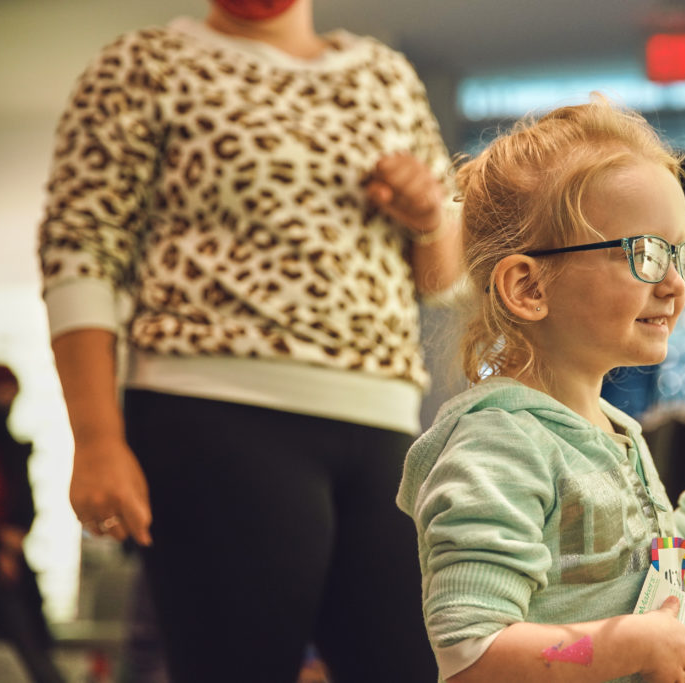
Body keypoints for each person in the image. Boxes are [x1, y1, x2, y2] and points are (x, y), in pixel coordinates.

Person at [38, 1, 461, 681]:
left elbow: (442, 279)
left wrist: (428, 216)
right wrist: (95, 439)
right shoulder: (143, 64)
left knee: (411, 664)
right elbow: (79, 252)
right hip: (211, 409)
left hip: (381, 420)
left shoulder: (386, 75)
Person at [396, 97, 685, 682]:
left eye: (681, 254)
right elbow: (473, 655)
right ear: (529, 287)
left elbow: (654, 587)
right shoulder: (499, 445)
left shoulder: (616, 434)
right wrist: (628, 645)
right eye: (644, 253)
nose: (674, 284)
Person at [0, 365, 66, 683]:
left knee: (32, 643)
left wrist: (11, 539)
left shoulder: (6, 443)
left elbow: (20, 500)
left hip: (4, 558)